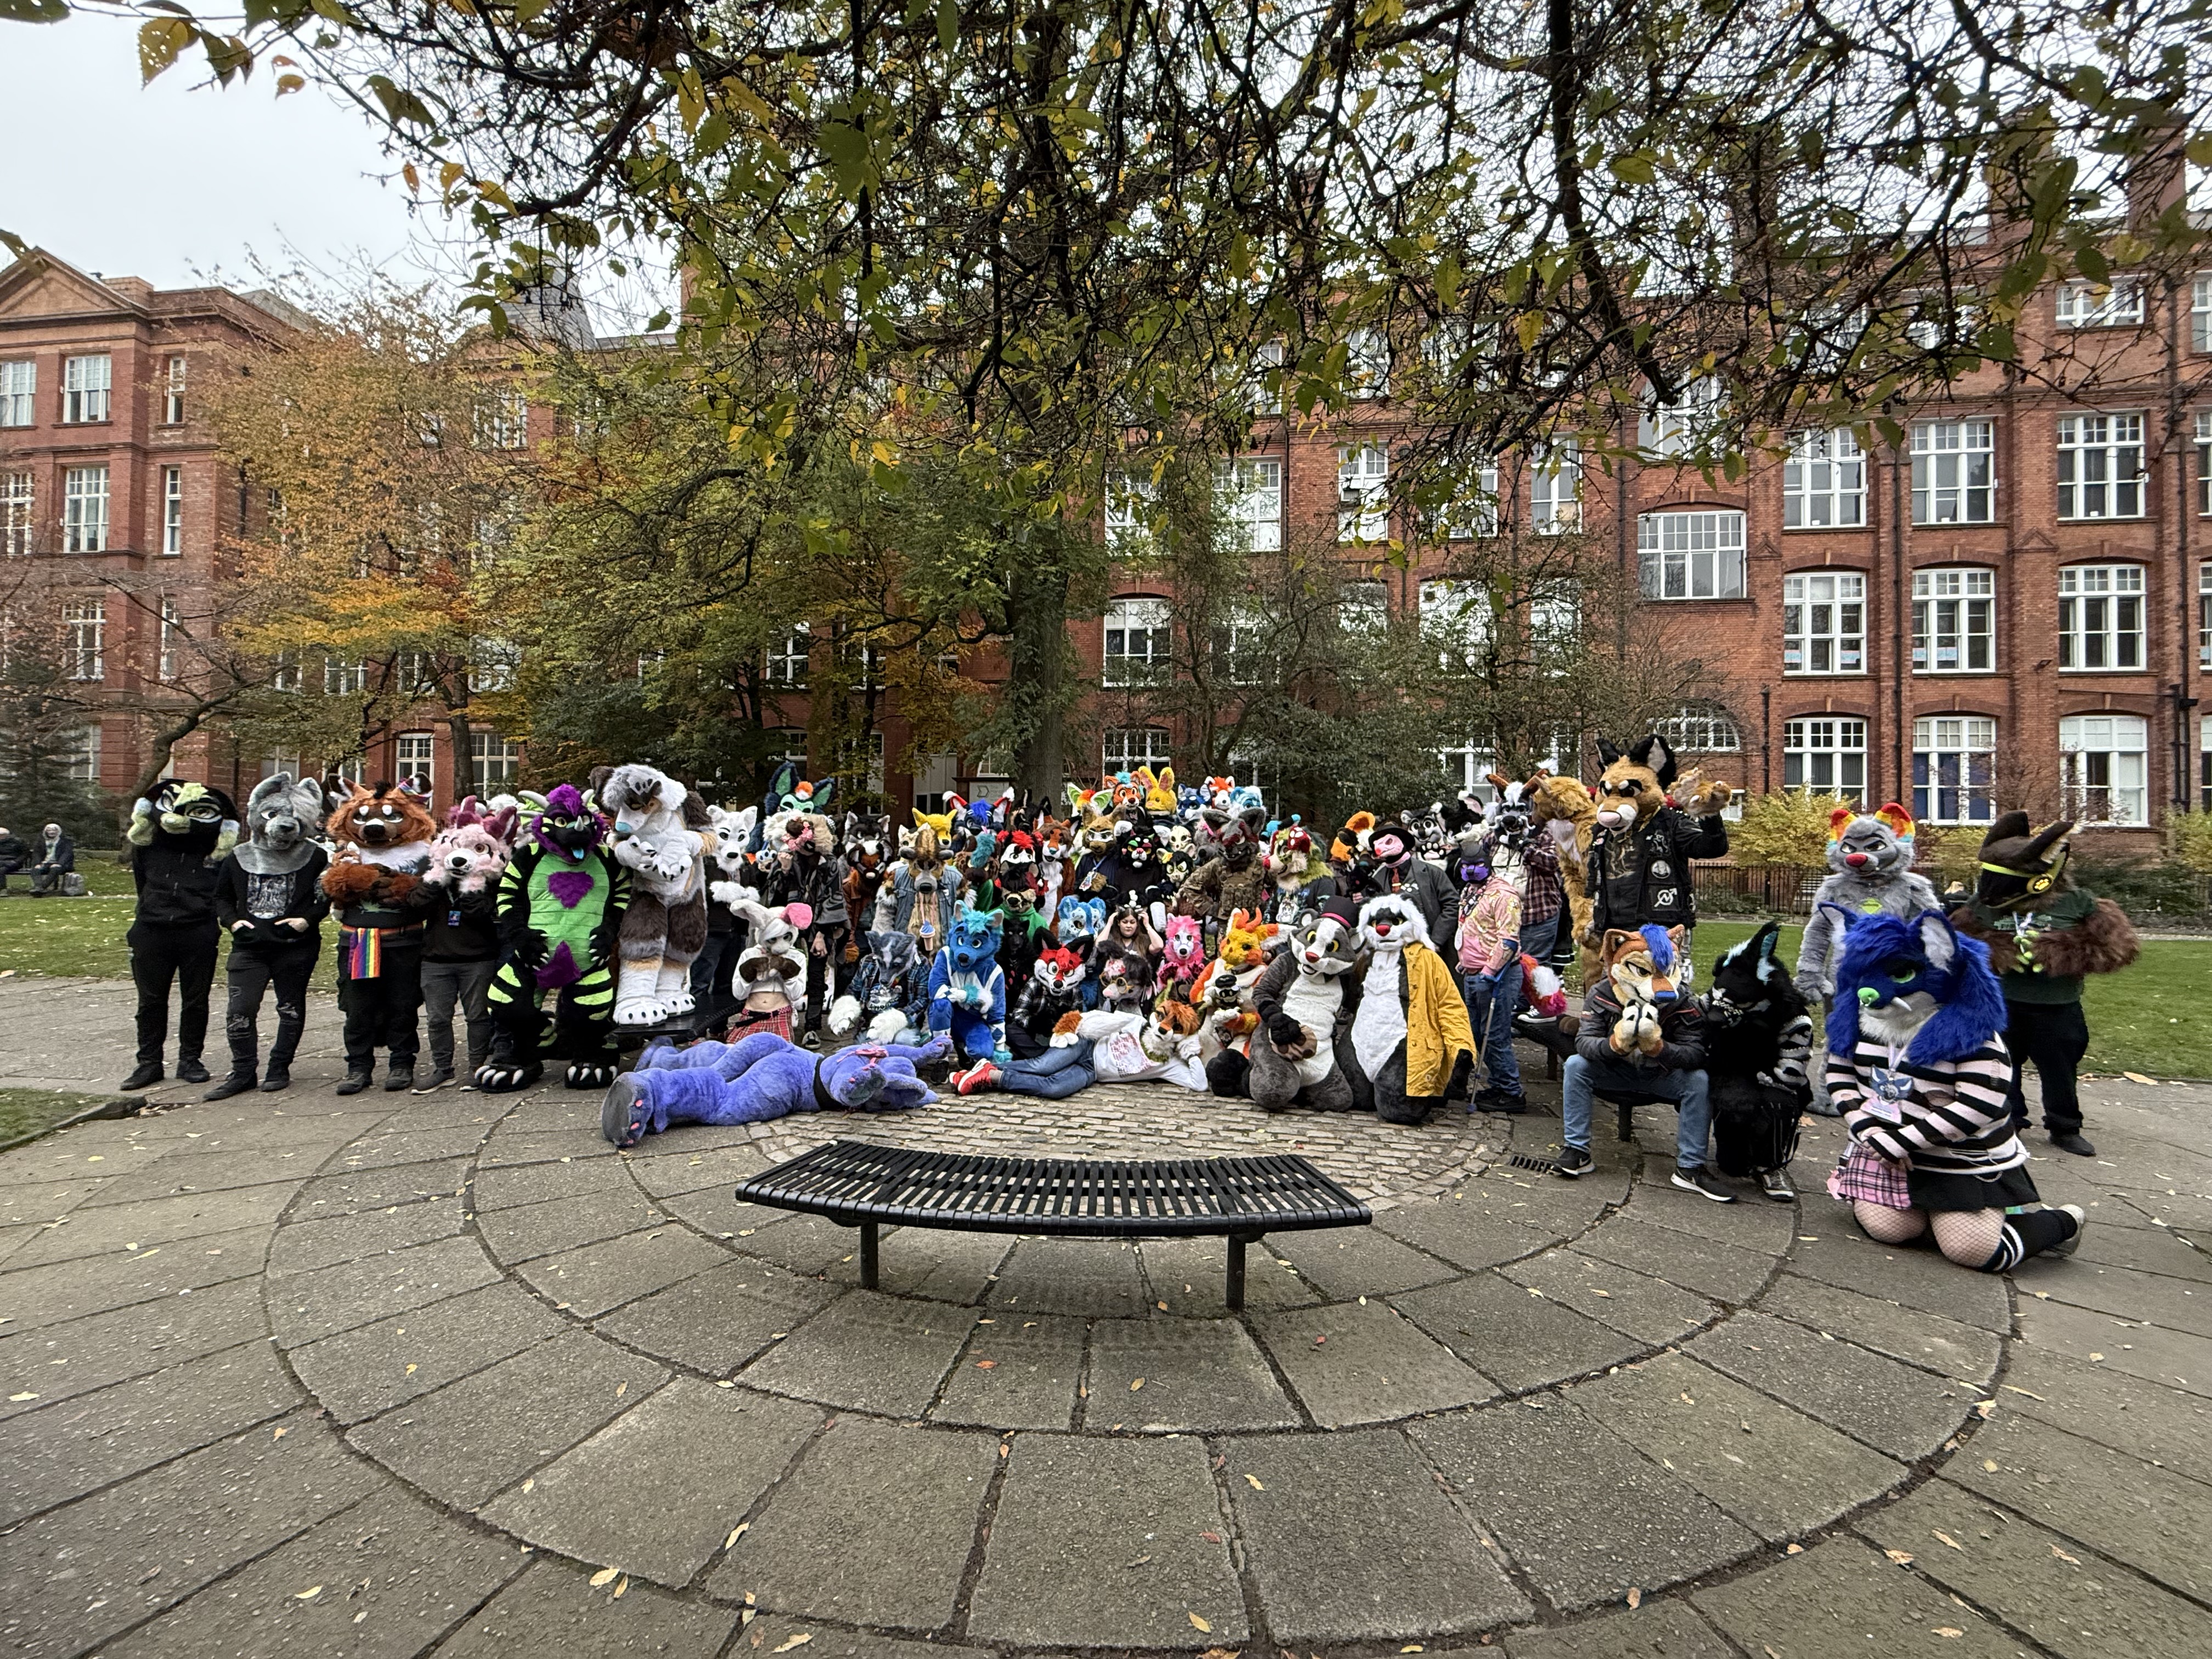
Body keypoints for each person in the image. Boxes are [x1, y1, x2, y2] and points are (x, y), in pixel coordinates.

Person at [1826, 909, 2085, 1271]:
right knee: (1890, 1229)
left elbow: (1978, 1105)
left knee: (1972, 1252)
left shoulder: (1973, 1035)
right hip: (1886, 1152)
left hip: (1959, 1160)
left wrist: (1902, 1141)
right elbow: (1839, 1074)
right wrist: (1868, 1130)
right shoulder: (1862, 1020)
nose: (1869, 992)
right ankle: (1939, 1216)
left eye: (1899, 974)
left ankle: (2062, 1222)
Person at [1948, 814, 2138, 1158]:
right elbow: (1955, 944)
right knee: (2001, 1066)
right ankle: (2009, 1121)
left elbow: (2118, 949)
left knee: (2059, 1069)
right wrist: (1998, 952)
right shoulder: (1982, 905)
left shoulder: (2080, 903)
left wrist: (2057, 953)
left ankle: (2065, 1126)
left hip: (2058, 1005)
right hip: (2002, 1003)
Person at [1556, 924, 1731, 1200]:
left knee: (1699, 1080)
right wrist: (1615, 1045)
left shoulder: (1683, 999)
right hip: (1616, 1071)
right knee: (1576, 1065)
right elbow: (1584, 1042)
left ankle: (1690, 1167)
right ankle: (1577, 1150)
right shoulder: (1602, 993)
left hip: (1661, 1074)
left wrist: (1659, 1049)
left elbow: (1696, 1053)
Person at [208, 776, 331, 1098]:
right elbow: (221, 896)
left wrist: (307, 920)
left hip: (295, 947)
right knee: (240, 1009)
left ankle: (279, 1067)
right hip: (249, 947)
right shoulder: (239, 856)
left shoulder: (315, 856)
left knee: (290, 1007)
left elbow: (326, 896)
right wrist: (232, 923)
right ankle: (243, 1071)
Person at [121, 782, 239, 1091]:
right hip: (151, 929)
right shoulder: (150, 845)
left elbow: (224, 889)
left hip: (198, 929)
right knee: (150, 1001)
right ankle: (149, 1062)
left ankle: (190, 1060)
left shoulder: (216, 850)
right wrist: (151, 909)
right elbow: (142, 881)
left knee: (196, 999)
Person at [29, 823, 75, 896]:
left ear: (58, 831)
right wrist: (37, 864)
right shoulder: (41, 842)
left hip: (61, 864)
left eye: (54, 830)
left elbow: (67, 854)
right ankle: (39, 888)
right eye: (49, 830)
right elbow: (37, 854)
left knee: (55, 869)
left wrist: (59, 864)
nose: (52, 832)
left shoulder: (65, 842)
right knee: (35, 870)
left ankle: (41, 888)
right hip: (45, 863)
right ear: (46, 832)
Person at [0, 825, 31, 893]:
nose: (1, 837)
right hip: (2, 863)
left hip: (14, 863)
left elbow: (25, 854)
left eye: (2, 835)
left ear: (7, 835)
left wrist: (17, 861)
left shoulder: (17, 842)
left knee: (1, 870)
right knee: (1, 869)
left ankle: (3, 890)